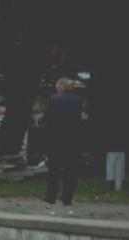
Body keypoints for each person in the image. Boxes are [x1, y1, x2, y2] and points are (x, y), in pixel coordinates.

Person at [42, 77, 84, 209]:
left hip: (56, 140)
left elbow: (47, 118)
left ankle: (51, 196)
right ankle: (67, 198)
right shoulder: (78, 100)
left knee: (54, 169)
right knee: (71, 170)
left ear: (60, 87)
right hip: (73, 140)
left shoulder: (53, 99)